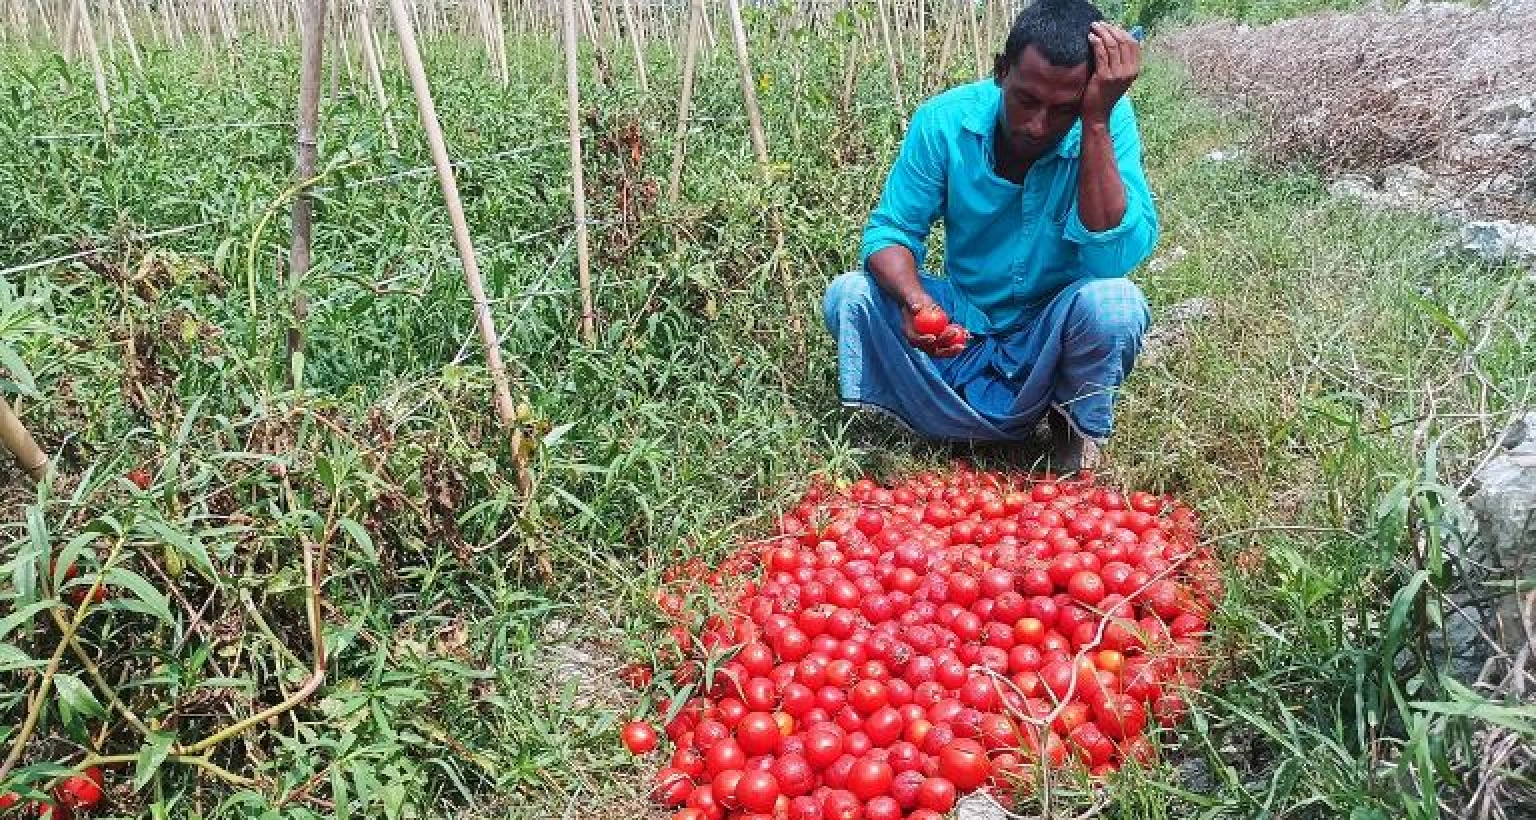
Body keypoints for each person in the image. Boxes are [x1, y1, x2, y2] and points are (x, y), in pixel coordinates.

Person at [824, 0, 1157, 472]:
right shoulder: (944, 122)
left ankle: (1069, 429)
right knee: (851, 294)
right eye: (1027, 99)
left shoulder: (1104, 124)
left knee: (1115, 305)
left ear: (1086, 97)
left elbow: (1112, 260)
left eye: (1063, 109)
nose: (1037, 125)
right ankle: (912, 420)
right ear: (1002, 71)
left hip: (1046, 338)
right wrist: (916, 303)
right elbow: (891, 232)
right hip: (964, 322)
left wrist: (1096, 121)